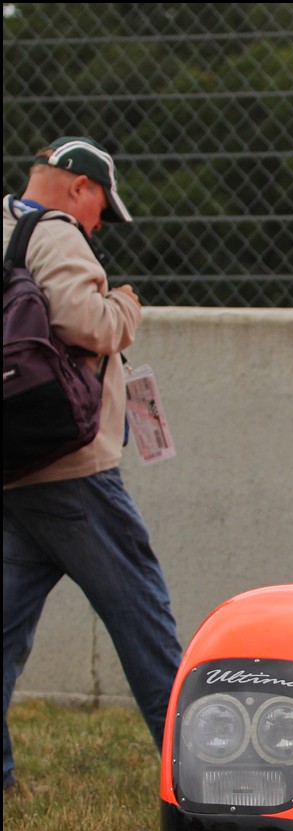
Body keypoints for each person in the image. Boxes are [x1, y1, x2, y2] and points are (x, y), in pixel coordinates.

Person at [3, 136, 181, 790]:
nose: (100, 221)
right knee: (145, 619)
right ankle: (197, 771)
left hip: (16, 466)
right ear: (79, 186)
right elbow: (87, 322)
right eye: (102, 203)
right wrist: (127, 305)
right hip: (73, 470)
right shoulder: (52, 233)